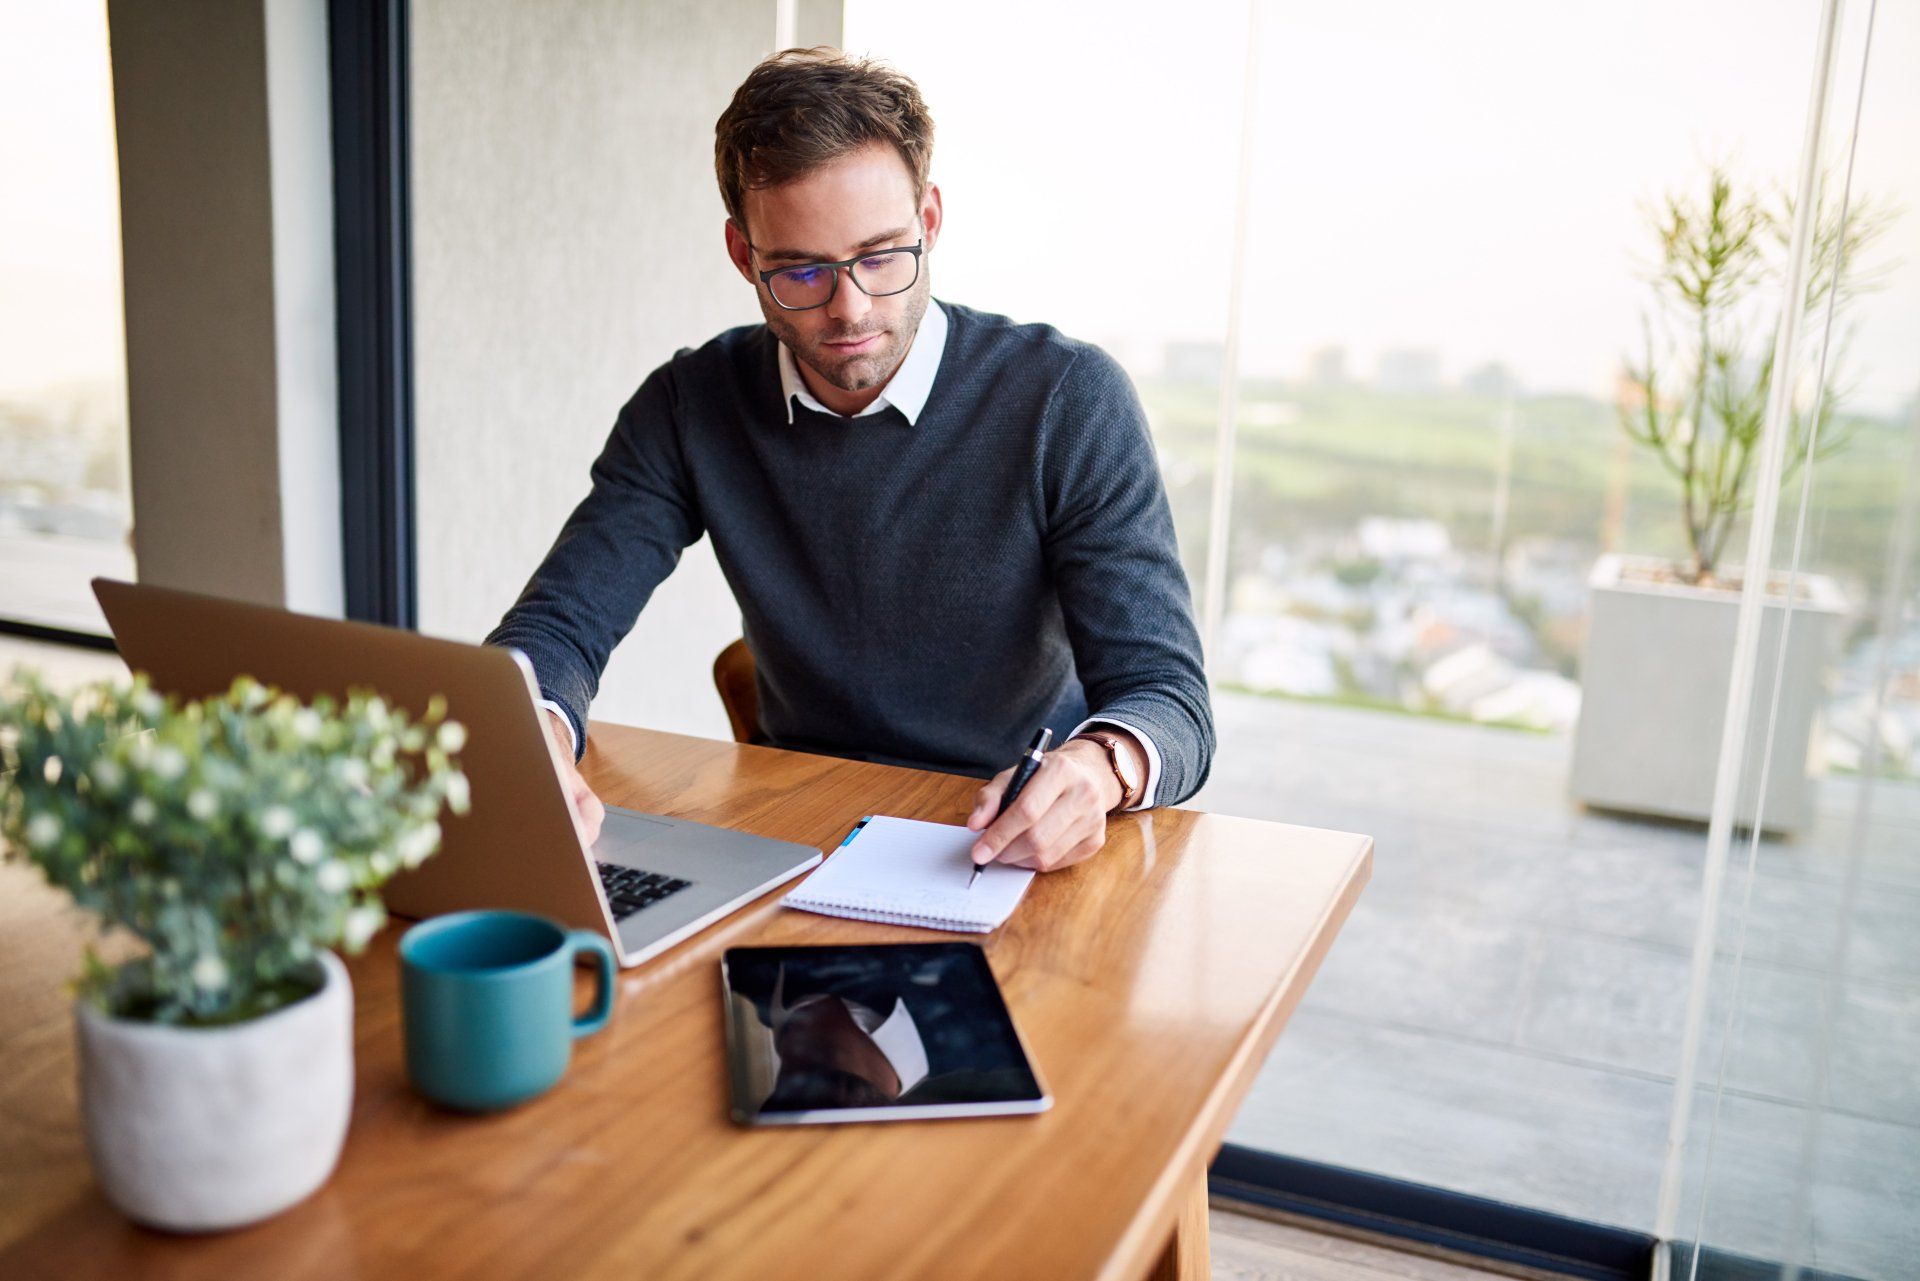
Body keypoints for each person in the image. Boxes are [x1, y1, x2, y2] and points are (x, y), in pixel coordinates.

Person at [486, 47, 1212, 875]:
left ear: (930, 221)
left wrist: (1098, 767)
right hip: (804, 829)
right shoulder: (691, 404)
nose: (852, 308)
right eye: (801, 270)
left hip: (1007, 837)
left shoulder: (1067, 400)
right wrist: (534, 729)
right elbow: (560, 623)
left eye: (881, 256)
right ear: (741, 253)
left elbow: (1170, 699)